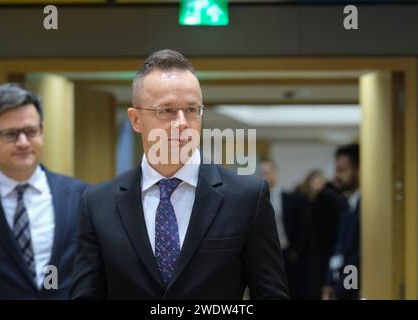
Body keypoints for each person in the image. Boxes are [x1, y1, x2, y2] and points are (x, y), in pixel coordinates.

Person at [71, 49, 289, 300]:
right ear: (135, 119)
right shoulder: (98, 203)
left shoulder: (247, 197)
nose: (182, 122)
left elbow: (271, 294)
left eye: (192, 109)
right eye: (166, 111)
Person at [0, 83, 87, 299]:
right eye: (10, 134)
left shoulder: (81, 196)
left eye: (31, 131)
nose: (23, 142)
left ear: (42, 131)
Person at [259, 159, 308, 299]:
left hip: (287, 254)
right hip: (264, 256)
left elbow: (301, 227)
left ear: (275, 173)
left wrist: (296, 251)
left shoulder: (290, 199)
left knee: (291, 290)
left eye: (266, 173)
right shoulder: (254, 199)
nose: (263, 177)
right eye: (260, 173)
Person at [297, 169, 345, 299]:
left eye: (321, 180)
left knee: (321, 285)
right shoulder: (306, 201)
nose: (318, 183)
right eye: (315, 180)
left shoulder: (328, 199)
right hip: (311, 252)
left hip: (325, 250)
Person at [322, 144, 360, 300]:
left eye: (342, 170)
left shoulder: (366, 208)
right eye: (336, 170)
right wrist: (330, 283)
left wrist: (342, 291)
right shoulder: (346, 204)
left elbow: (355, 256)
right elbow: (339, 251)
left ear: (358, 170)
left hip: (350, 291)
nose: (337, 176)